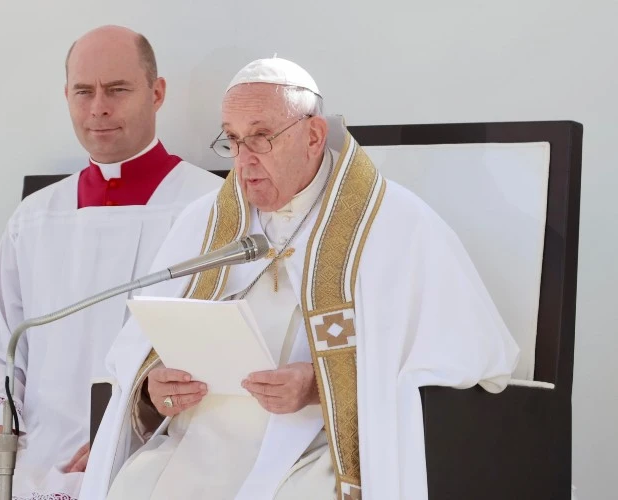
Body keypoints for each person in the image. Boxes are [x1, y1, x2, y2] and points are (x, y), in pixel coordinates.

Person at [80, 57, 520, 500]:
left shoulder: (393, 223)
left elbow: (473, 359)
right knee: (133, 487)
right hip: (197, 442)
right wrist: (154, 388)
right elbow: (138, 356)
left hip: (315, 447)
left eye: (261, 137)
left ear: (313, 136)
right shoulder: (204, 222)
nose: (244, 160)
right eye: (232, 140)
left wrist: (319, 386)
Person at [0, 25, 222, 500]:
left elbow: (216, 352)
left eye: (117, 89)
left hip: (150, 449)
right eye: (84, 92)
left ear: (156, 93)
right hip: (30, 446)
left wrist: (130, 431)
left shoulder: (210, 208)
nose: (98, 108)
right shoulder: (36, 216)